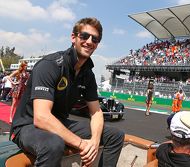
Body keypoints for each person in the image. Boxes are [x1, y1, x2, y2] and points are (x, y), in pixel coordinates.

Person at [10, 17, 124, 167]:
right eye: (84, 36)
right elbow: (41, 117)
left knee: (115, 135)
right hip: (28, 125)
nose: (89, 41)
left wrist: (94, 142)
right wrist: (82, 144)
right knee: (53, 144)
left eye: (94, 39)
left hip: (60, 121)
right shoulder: (50, 65)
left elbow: (96, 112)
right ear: (73, 37)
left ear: (97, 44)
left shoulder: (88, 73)